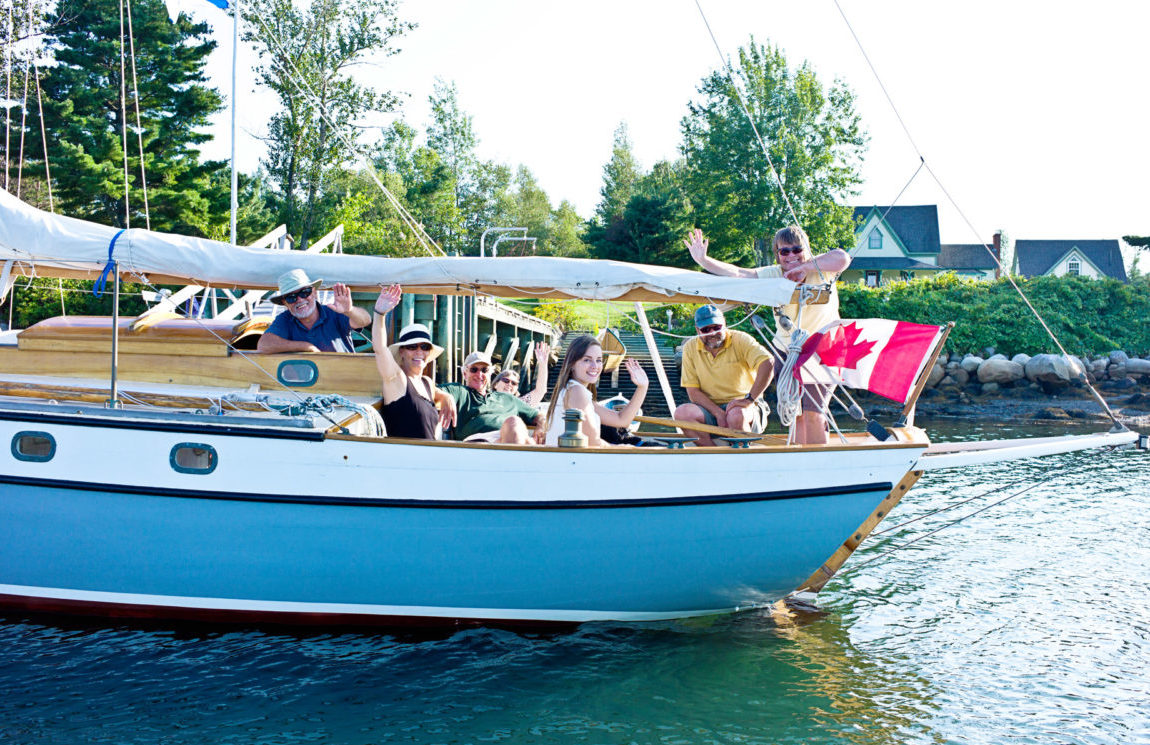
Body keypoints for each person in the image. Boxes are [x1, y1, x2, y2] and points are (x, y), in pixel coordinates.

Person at [685, 225, 851, 445]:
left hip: (823, 349)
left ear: (806, 250)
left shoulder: (822, 268)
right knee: (795, 411)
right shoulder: (773, 275)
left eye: (797, 249)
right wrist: (704, 261)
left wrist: (805, 267)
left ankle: (817, 462)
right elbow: (739, 273)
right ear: (777, 254)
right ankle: (798, 458)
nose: (791, 255)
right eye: (784, 251)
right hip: (787, 350)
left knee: (814, 411)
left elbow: (842, 258)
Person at [673, 304, 773, 447]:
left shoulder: (741, 340)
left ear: (725, 324)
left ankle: (743, 455)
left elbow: (768, 362)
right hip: (710, 410)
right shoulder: (690, 347)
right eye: (706, 329)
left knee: (736, 415)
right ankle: (712, 454)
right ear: (697, 330)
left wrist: (749, 399)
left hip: (745, 407)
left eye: (717, 327)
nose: (712, 333)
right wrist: (719, 413)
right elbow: (693, 392)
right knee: (682, 413)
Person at [371, 285, 456, 440]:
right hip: (406, 458)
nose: (419, 352)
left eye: (424, 347)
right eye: (412, 347)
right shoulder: (398, 379)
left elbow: (436, 393)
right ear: (401, 352)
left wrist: (446, 397)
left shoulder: (427, 383)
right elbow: (380, 349)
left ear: (429, 352)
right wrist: (379, 314)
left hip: (428, 456)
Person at [543, 334, 648, 447]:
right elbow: (593, 443)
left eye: (598, 360)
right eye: (587, 360)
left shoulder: (573, 390)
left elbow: (621, 420)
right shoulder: (576, 391)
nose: (595, 366)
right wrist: (627, 448)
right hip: (570, 461)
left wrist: (643, 387)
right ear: (572, 364)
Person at [257, 269, 371, 353]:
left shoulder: (334, 312)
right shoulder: (285, 319)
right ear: (285, 303)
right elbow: (264, 345)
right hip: (306, 384)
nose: (300, 299)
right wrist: (306, 346)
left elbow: (365, 320)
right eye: (291, 297)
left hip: (344, 379)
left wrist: (349, 310)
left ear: (314, 292)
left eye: (304, 292)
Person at [441, 350, 543, 444]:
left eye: (484, 370)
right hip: (477, 443)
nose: (479, 374)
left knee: (524, 435)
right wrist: (444, 396)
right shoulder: (459, 391)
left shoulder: (509, 399)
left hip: (509, 437)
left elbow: (539, 416)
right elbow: (430, 390)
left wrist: (541, 426)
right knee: (514, 423)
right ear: (464, 373)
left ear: (490, 374)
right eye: (474, 369)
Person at [491, 342, 551, 407]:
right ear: (495, 384)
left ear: (516, 389)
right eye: (506, 380)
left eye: (514, 383)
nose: (509, 384)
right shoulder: (486, 402)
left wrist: (542, 364)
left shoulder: (520, 405)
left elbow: (540, 391)